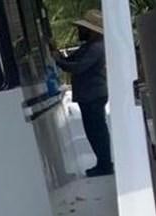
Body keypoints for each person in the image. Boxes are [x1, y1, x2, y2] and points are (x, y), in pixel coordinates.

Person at [52, 10, 112, 177]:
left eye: (82, 28)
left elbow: (77, 67)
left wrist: (57, 60)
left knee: (97, 131)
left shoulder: (96, 47)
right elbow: (71, 61)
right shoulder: (90, 46)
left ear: (91, 30)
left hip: (93, 95)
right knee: (94, 130)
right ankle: (103, 163)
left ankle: (105, 164)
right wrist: (58, 55)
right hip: (90, 95)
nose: (79, 31)